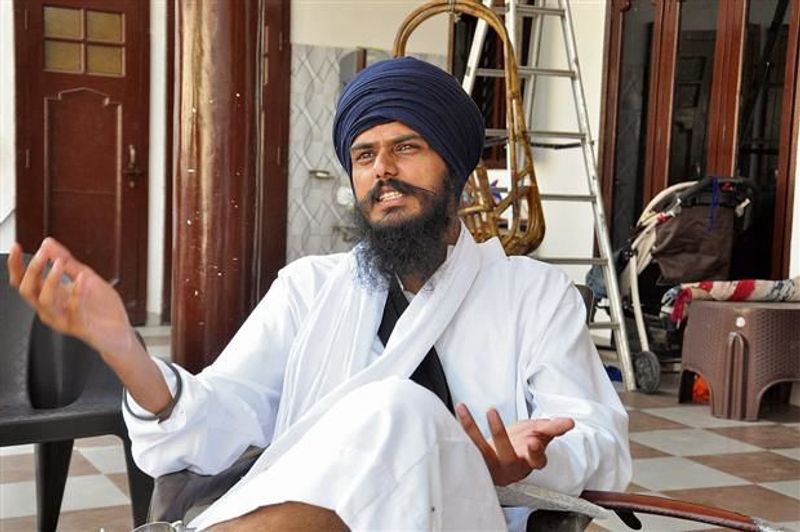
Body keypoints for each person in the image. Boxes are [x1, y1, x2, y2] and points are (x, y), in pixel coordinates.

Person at [8, 56, 631, 531]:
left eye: (406, 148)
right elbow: (220, 418)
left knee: (401, 409)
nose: (382, 170)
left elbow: (599, 440)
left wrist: (534, 456)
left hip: (471, 516)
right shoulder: (309, 287)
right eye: (364, 155)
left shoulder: (534, 294)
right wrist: (123, 350)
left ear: (457, 167)